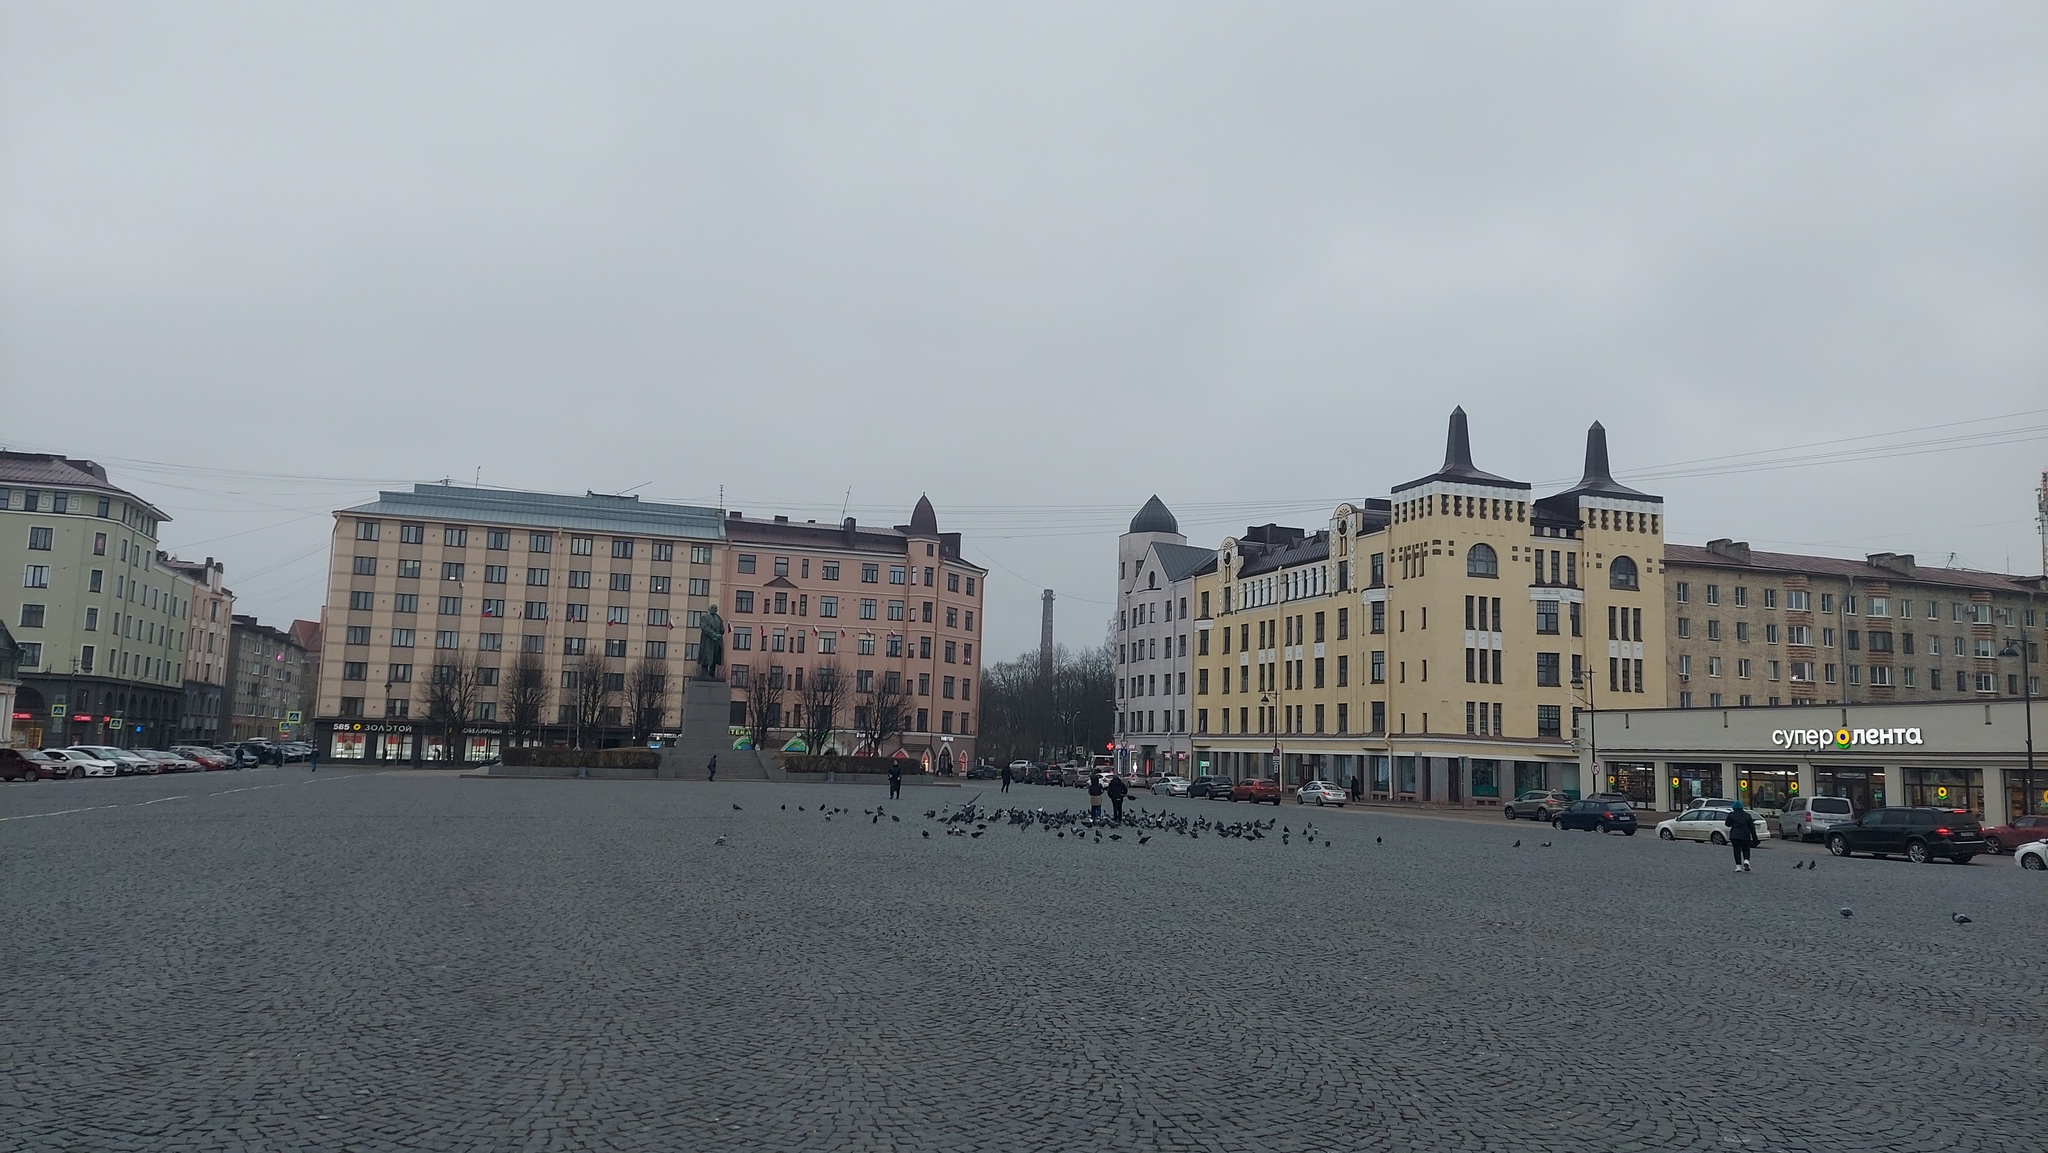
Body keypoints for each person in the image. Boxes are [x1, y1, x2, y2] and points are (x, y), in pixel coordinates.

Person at [1724, 800, 1759, 872]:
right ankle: (1746, 860)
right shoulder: (1747, 816)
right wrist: (1755, 838)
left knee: (1736, 850)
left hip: (1734, 835)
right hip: (1745, 835)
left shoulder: (1731, 815)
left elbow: (1727, 824)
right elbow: (1752, 828)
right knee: (1746, 849)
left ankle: (1738, 866)